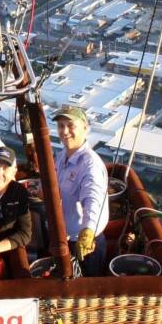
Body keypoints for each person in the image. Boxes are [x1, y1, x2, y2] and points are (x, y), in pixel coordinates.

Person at [52, 106, 109, 275]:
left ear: (85, 128)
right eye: (61, 126)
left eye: (70, 125)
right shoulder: (62, 155)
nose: (65, 131)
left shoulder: (90, 164)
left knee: (86, 291)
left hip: (86, 244)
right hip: (64, 238)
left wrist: (87, 231)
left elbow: (93, 198)